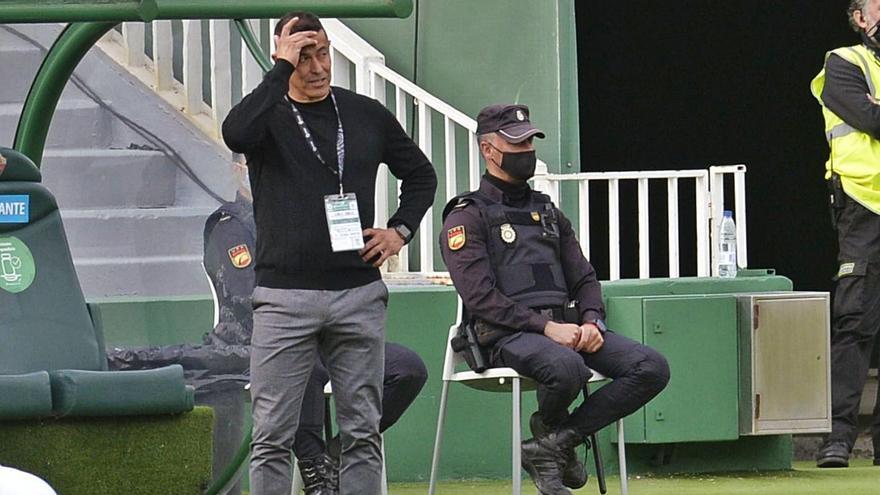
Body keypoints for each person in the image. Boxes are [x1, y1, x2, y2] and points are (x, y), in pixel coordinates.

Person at [221, 10, 437, 494]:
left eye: (323, 53)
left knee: (362, 431)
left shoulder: (364, 114)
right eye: (303, 57)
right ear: (282, 58)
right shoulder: (267, 115)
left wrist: (400, 230)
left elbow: (422, 175)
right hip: (284, 298)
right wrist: (279, 70)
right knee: (273, 435)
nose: (317, 67)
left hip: (357, 293)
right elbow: (235, 133)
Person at [439, 104, 670, 495]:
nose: (527, 149)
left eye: (530, 140)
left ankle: (553, 444)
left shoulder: (547, 211)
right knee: (567, 368)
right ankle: (553, 440)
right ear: (488, 150)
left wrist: (592, 321)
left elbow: (584, 276)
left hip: (568, 330)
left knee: (650, 367)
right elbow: (480, 298)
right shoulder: (466, 217)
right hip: (507, 335)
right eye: (517, 142)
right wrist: (546, 327)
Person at [203, 158, 428, 494]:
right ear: (238, 170)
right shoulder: (229, 225)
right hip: (261, 342)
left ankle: (334, 458)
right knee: (297, 359)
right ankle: (316, 474)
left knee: (407, 369)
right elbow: (243, 296)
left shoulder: (308, 215)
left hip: (332, 338)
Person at [811, 0, 880, 469]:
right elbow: (872, 120)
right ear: (860, 17)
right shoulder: (843, 62)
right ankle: (838, 437)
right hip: (863, 206)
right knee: (855, 321)